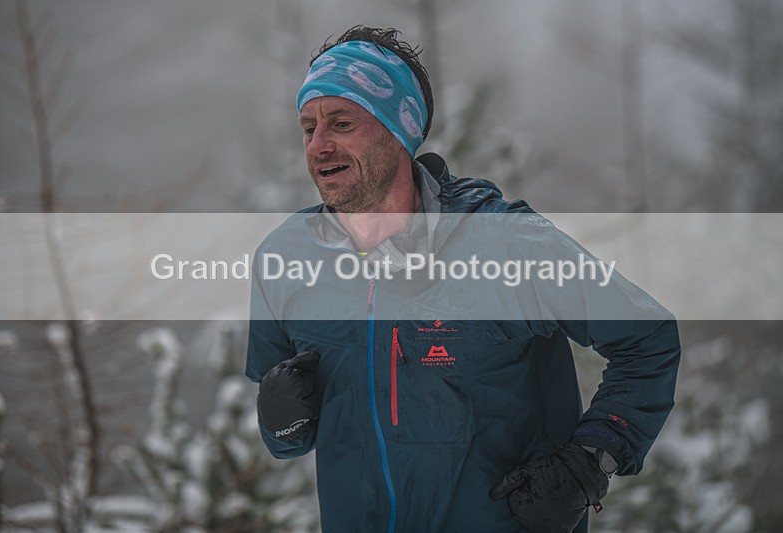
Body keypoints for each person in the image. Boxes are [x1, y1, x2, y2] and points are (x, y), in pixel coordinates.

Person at [246, 26, 680, 533]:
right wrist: (279, 419)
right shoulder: (285, 257)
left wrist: (589, 463)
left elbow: (649, 341)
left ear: (398, 132)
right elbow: (289, 440)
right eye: (308, 127)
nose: (319, 145)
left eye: (341, 123)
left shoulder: (505, 241)